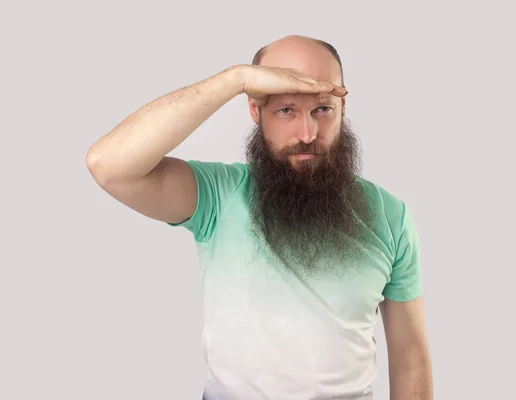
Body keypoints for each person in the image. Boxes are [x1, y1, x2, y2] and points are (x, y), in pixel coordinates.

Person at [86, 34, 433, 400]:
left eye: (323, 109)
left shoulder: (390, 215)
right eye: (286, 109)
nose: (307, 133)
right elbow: (108, 166)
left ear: (343, 108)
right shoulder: (218, 196)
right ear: (255, 110)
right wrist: (234, 79)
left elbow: (410, 356)